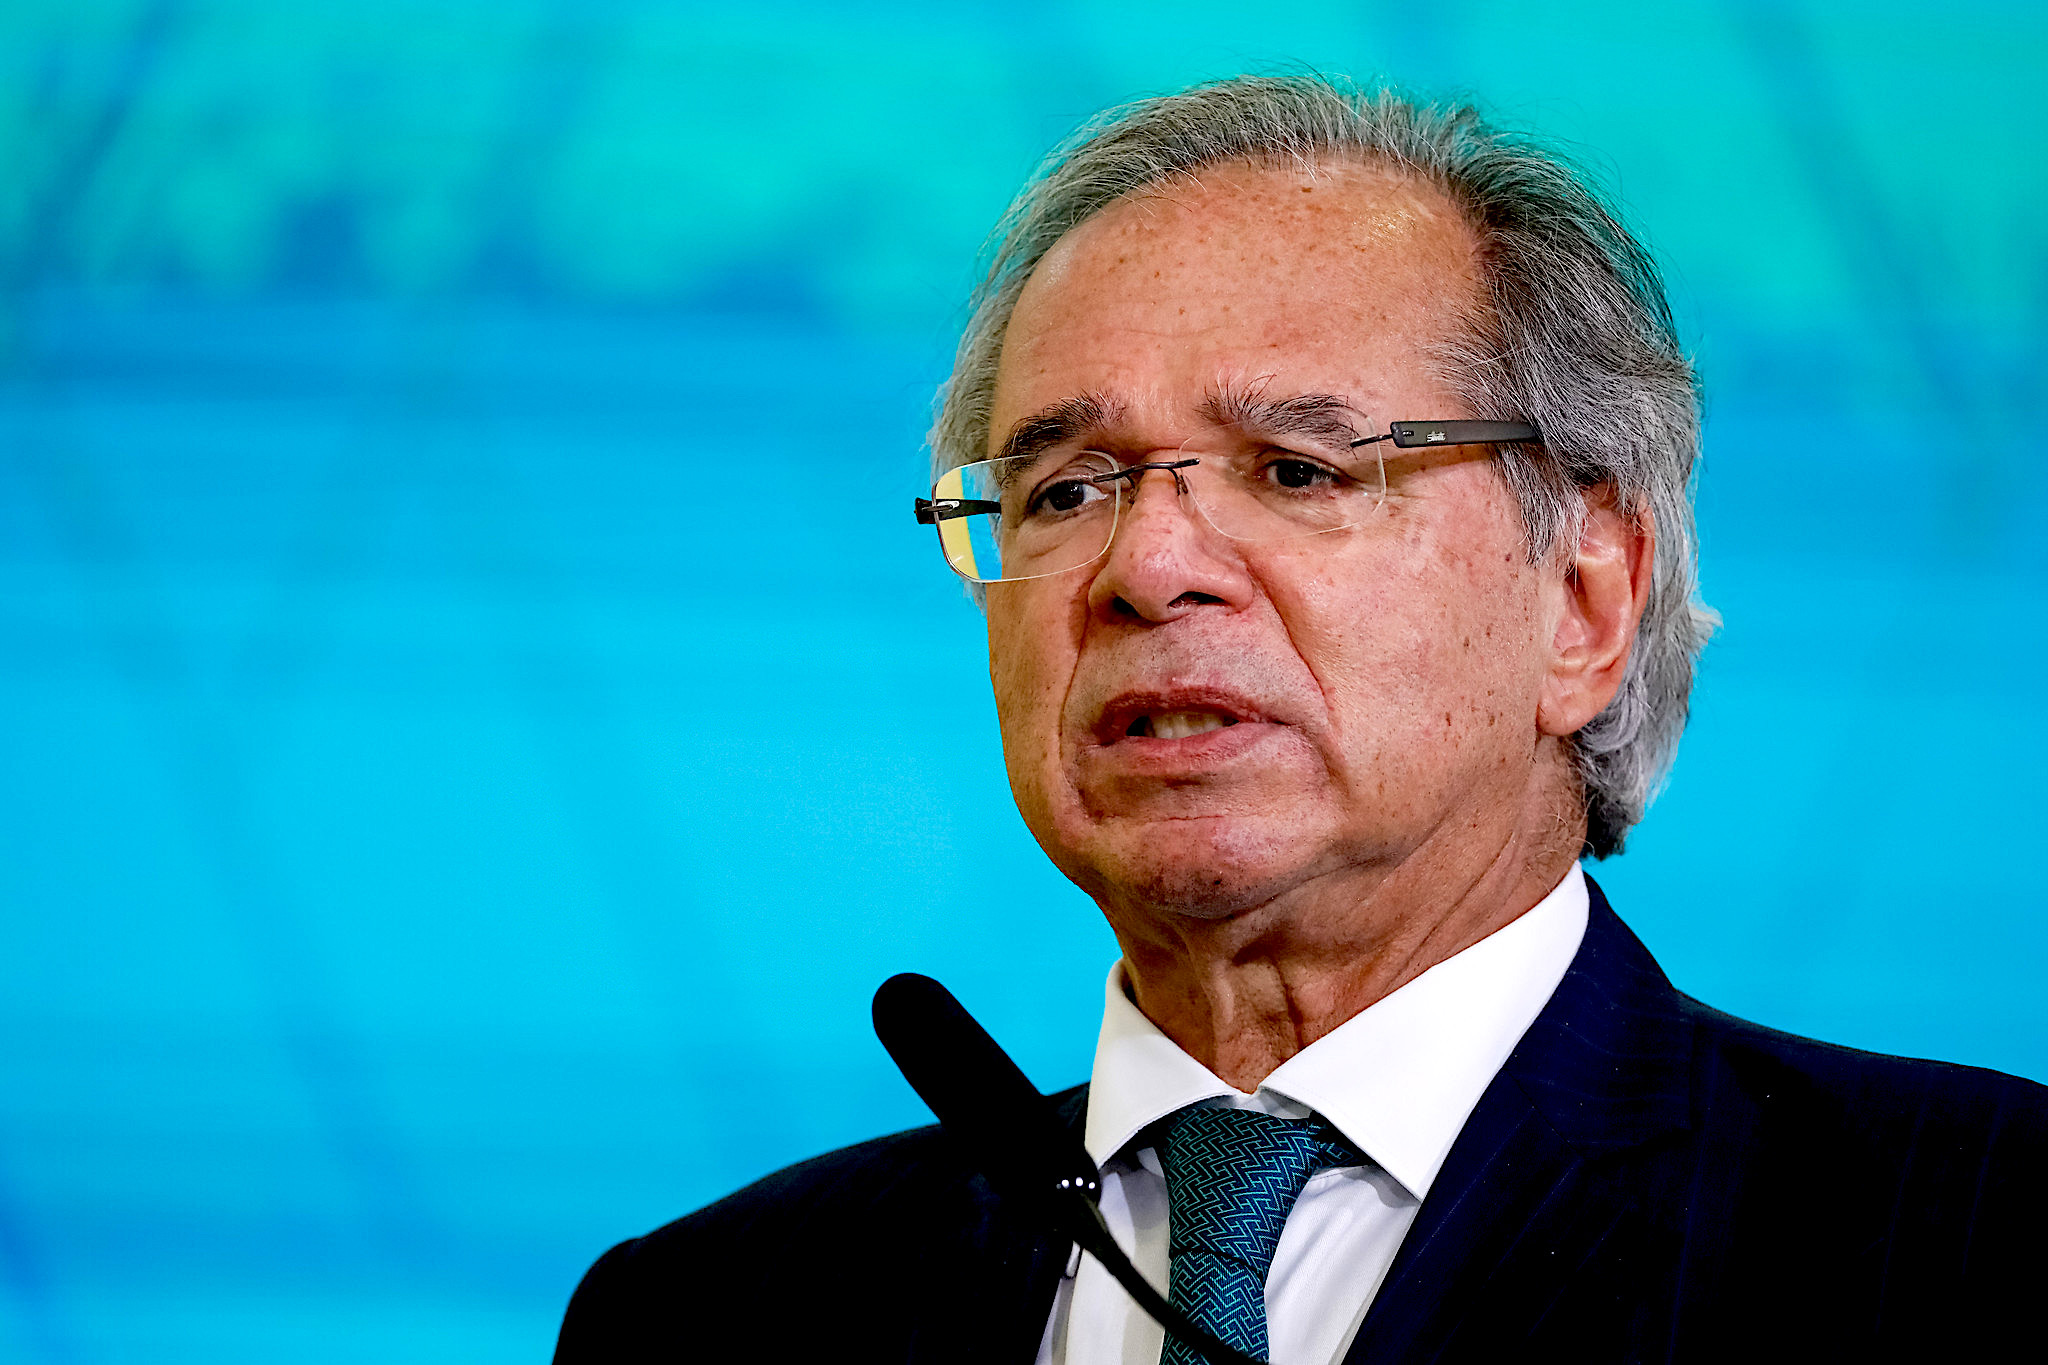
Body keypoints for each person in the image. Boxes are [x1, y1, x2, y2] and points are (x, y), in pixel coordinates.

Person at [553, 75, 2046, 1363]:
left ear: (1585, 604)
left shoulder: (1977, 1241)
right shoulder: (707, 1314)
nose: (1146, 567)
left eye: (1297, 470)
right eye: (1063, 491)